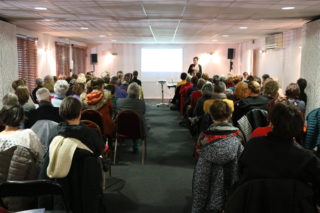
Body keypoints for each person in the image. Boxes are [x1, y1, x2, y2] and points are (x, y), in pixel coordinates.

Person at [226, 103, 320, 212]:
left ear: (272, 123)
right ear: (298, 128)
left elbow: (240, 174)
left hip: (252, 206)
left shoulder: (253, 146)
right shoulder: (307, 158)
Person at [192, 100, 243, 213]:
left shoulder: (203, 138)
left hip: (209, 183)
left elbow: (199, 167)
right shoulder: (238, 136)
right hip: (232, 186)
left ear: (211, 115)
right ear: (230, 115)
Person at [117, 83, 146, 153]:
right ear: (138, 92)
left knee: (130, 121)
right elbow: (143, 113)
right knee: (136, 122)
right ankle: (135, 145)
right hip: (138, 131)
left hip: (121, 130)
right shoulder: (142, 103)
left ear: (127, 91)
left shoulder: (119, 101)